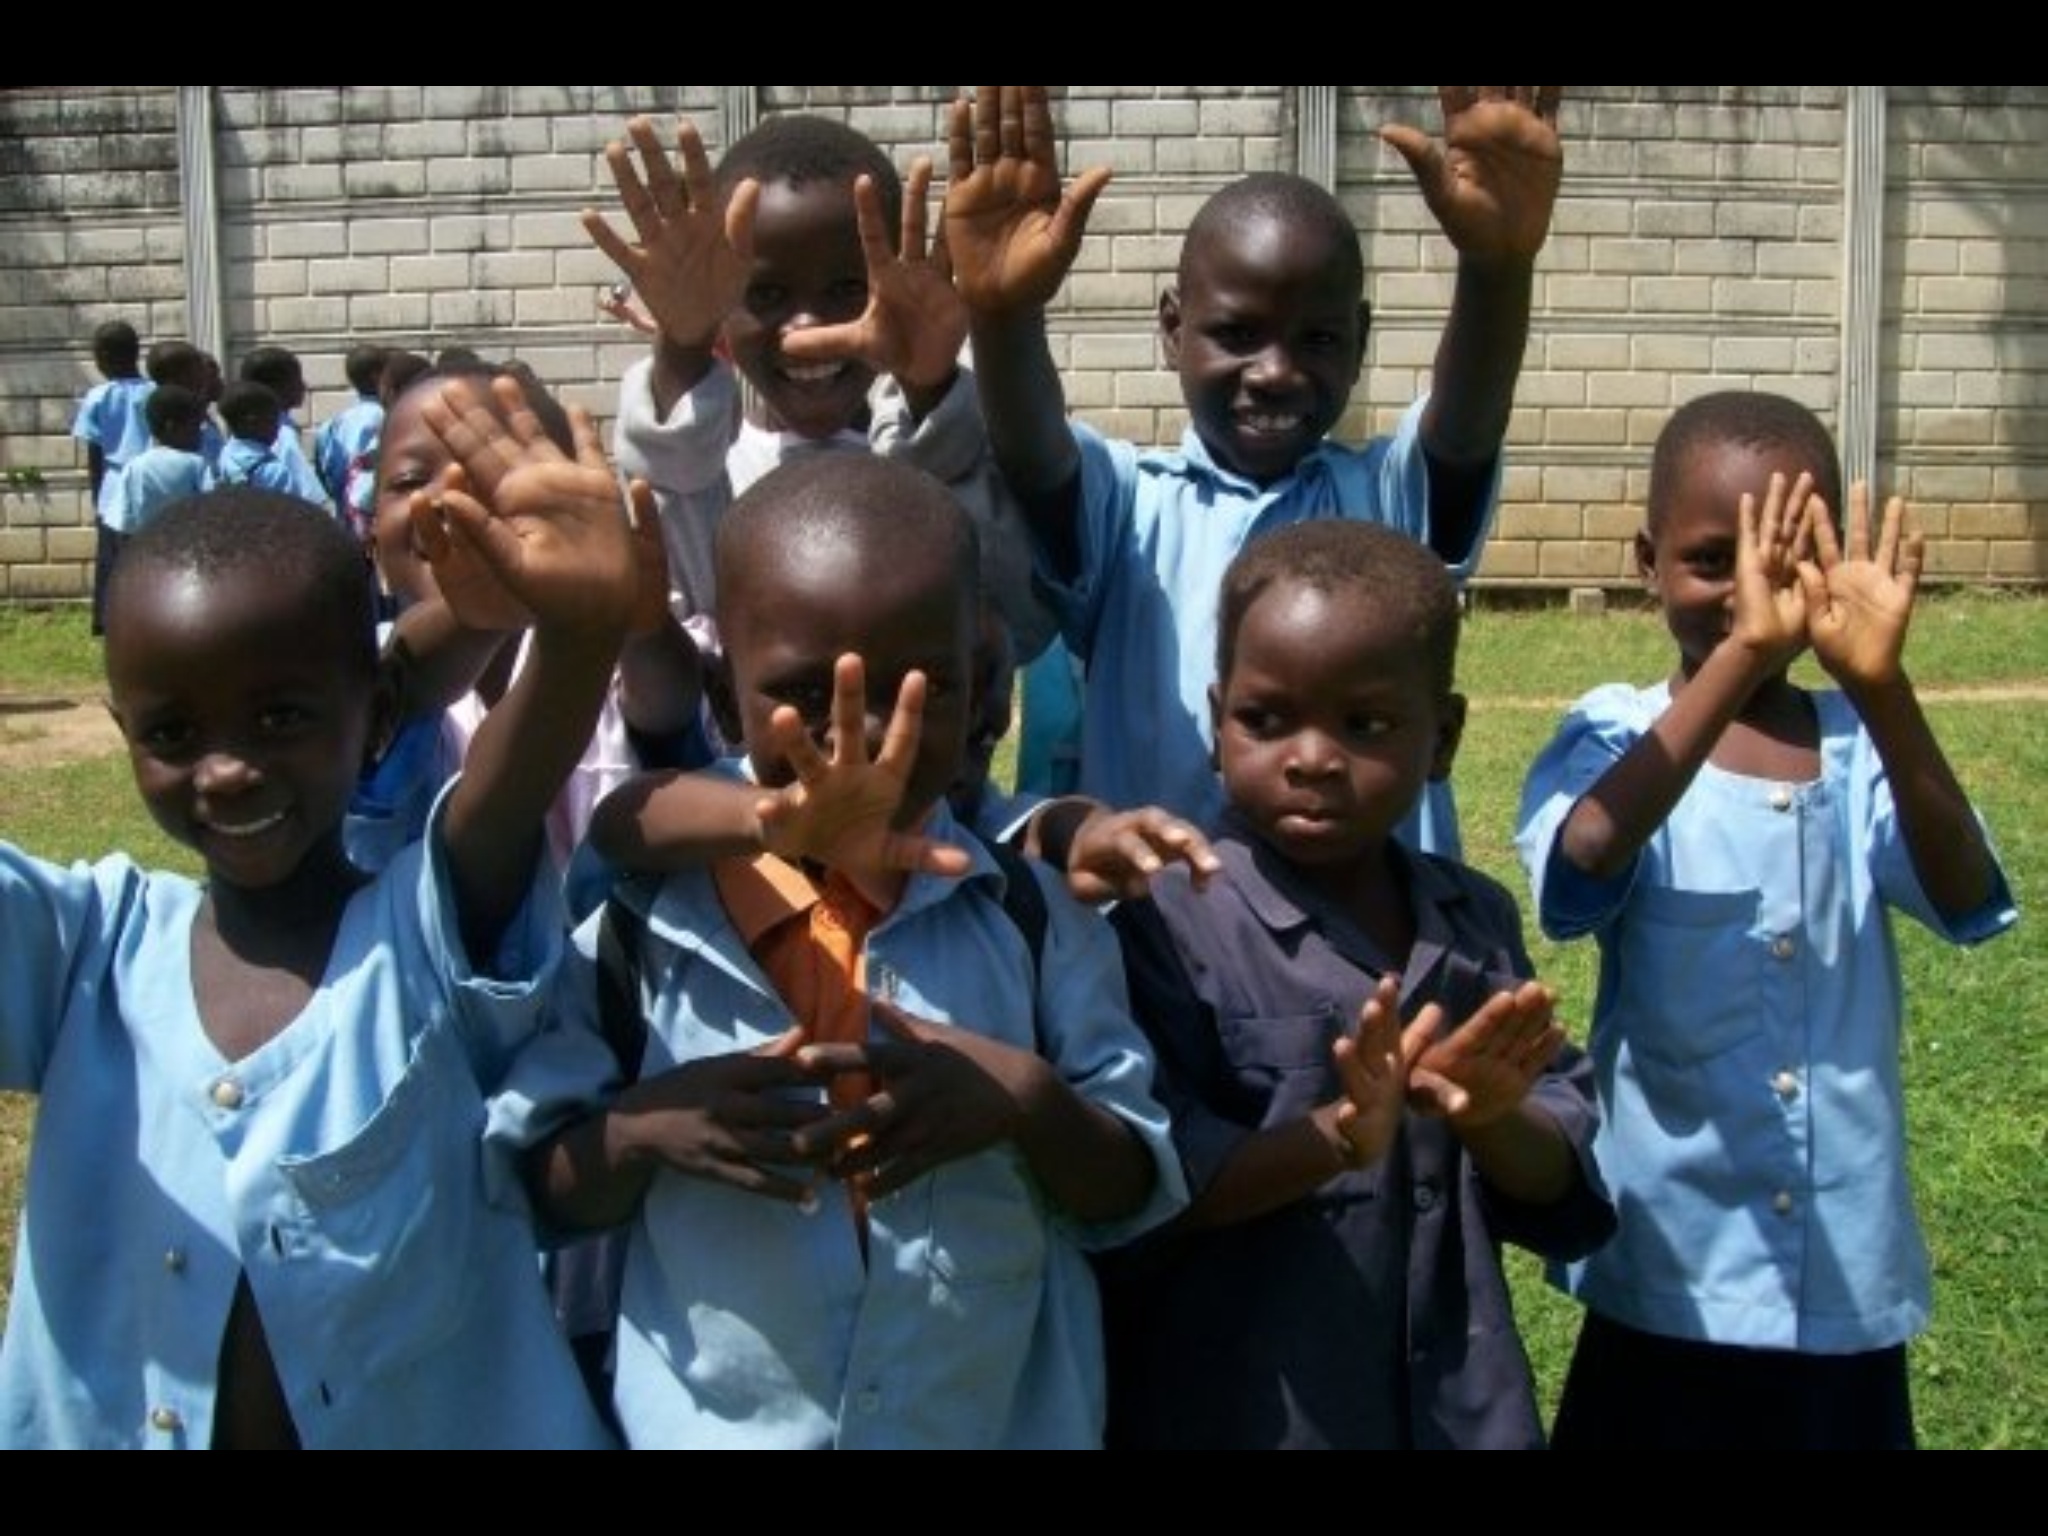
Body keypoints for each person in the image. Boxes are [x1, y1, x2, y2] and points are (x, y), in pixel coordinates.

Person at [0, 372, 641, 1447]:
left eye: (281, 717)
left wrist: (576, 637)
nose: (228, 771)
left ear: (379, 711)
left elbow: (507, 785)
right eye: (171, 734)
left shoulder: (426, 935)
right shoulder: (87, 952)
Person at [494, 453, 1185, 1449]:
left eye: (920, 691)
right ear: (726, 704)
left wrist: (1018, 1101)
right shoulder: (644, 937)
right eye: (804, 695)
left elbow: (1128, 1191)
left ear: (985, 697)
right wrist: (646, 1130)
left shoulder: (1033, 924)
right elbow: (535, 1193)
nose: (858, 741)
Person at [1515, 392, 2019, 1450]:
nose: (1755, 599)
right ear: (1645, 560)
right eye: (1712, 563)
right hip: (1671, 1272)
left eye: (1790, 565)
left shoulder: (1856, 746)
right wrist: (1742, 657)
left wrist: (1881, 692)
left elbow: (1967, 897)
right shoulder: (1612, 732)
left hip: (1841, 1273)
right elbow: (1580, 869)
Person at [1100, 519, 1612, 1449]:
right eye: (1265, 719)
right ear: (1216, 723)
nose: (1311, 758)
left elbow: (1557, 1187)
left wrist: (1491, 1117)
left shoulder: (1476, 924)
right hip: (1249, 1412)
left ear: (1444, 736)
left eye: (1364, 725)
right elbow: (1145, 1190)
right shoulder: (1169, 923)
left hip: (1458, 1411)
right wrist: (1336, 1136)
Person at [947, 86, 1564, 849]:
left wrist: (1496, 267)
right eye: (1238, 333)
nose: (1274, 371)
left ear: (1361, 339)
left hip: (1378, 955)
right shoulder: (1130, 508)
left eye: (1318, 340)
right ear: (1174, 330)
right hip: (1172, 944)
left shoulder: (1384, 499)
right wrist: (1003, 316)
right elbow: (1034, 455)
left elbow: (1465, 428)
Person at [585, 111, 1058, 697]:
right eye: (765, 294)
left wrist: (933, 398)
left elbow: (1019, 628)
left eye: (848, 289)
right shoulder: (706, 475)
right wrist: (681, 349)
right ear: (720, 310)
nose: (806, 328)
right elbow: (679, 629)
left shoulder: (946, 458)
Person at [349, 357, 702, 876]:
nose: (449, 495)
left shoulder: (611, 639)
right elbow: (403, 681)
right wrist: (480, 616)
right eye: (408, 480)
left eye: (493, 472)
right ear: (372, 529)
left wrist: (636, 624)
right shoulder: (357, 663)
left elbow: (670, 708)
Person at [73, 318, 156, 634]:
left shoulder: (97, 397)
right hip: (151, 487)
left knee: (113, 561)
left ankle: (109, 621)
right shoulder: (156, 392)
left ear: (105, 356)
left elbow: (95, 455)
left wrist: (96, 498)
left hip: (113, 490)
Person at [99, 383, 215, 541]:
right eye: (195, 426)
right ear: (171, 427)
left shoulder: (135, 466)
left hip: (148, 554)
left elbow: (123, 524)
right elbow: (212, 510)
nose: (200, 434)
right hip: (188, 549)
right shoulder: (197, 464)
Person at [240, 345, 334, 514]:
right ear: (276, 387)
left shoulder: (245, 434)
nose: (304, 385)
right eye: (297, 379)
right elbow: (310, 497)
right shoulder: (282, 435)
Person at [315, 342, 390, 541]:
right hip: (370, 522)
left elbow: (325, 469)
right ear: (377, 376)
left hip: (344, 518)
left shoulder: (335, 422)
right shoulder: (381, 417)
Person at [214, 381, 330, 507]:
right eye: (274, 419)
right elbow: (292, 512)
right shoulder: (275, 471)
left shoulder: (225, 455)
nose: (278, 427)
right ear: (252, 422)